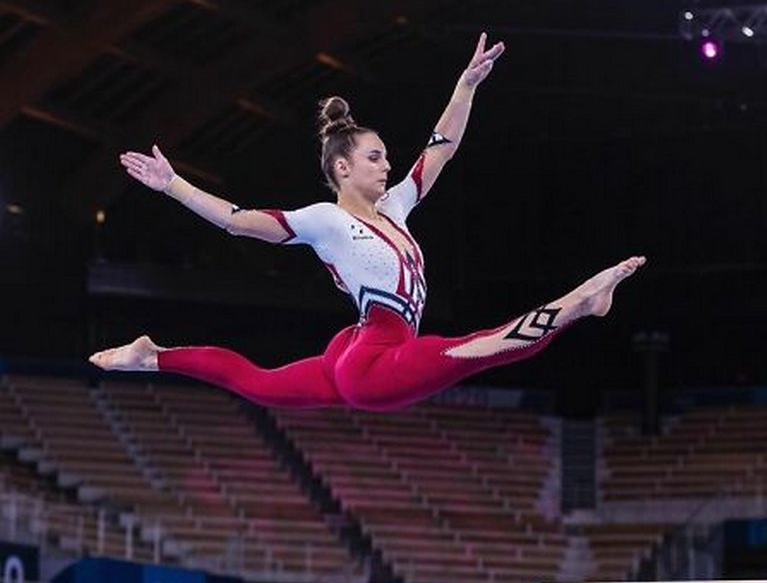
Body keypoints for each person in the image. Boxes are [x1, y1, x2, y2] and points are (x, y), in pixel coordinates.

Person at [89, 34, 645, 411]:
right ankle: (582, 300)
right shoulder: (325, 220)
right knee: (485, 345)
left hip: (364, 346)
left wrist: (467, 85)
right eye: (375, 157)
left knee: (258, 383)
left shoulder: (397, 207)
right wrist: (172, 185)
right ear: (341, 167)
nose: (387, 165)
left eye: (385, 156)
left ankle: (153, 357)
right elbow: (236, 221)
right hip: (373, 358)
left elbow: (441, 148)